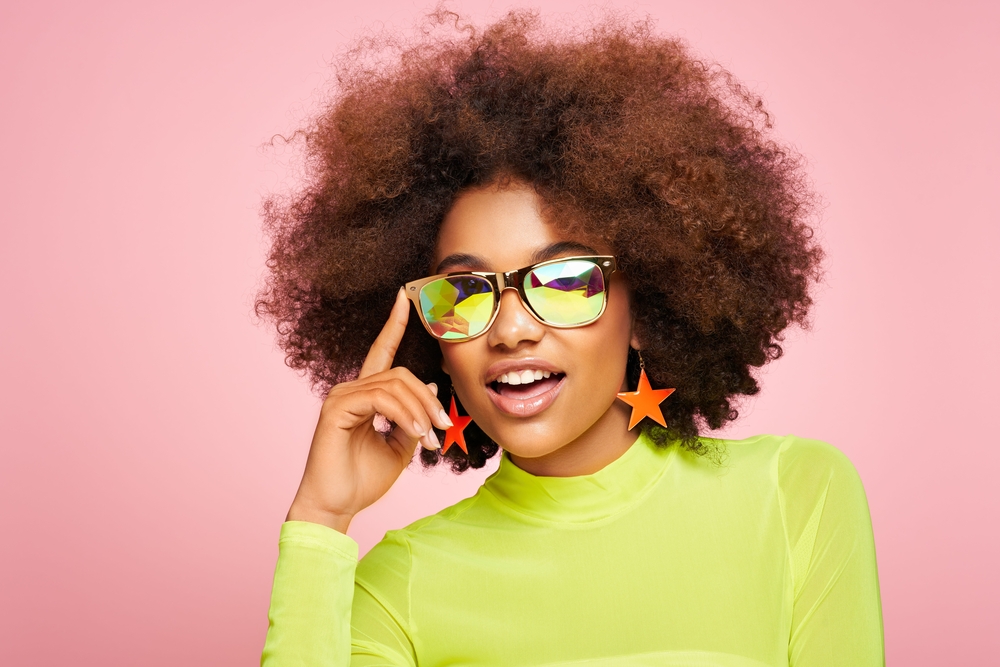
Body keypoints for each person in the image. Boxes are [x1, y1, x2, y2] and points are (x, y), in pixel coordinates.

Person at [256, 9, 884, 666]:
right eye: (465, 293)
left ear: (646, 304)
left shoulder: (793, 496)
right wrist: (321, 519)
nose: (512, 329)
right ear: (434, 343)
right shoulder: (401, 584)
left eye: (563, 280)